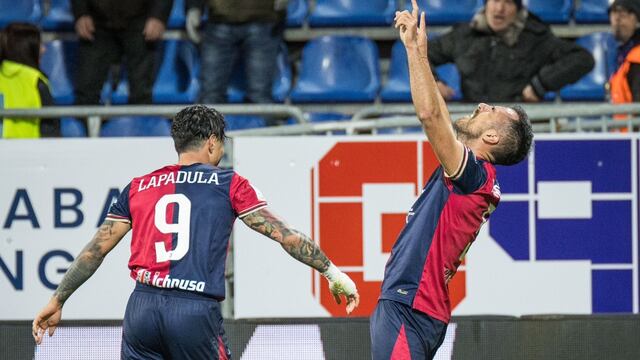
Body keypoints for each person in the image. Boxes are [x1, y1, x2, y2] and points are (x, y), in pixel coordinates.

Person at [32, 105, 360, 359]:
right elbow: (285, 235)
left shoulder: (138, 186)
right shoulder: (228, 183)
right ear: (213, 143)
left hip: (141, 309)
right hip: (192, 310)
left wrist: (58, 298)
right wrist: (331, 272)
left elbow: (95, 249)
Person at [370, 2, 534, 359]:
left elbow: (430, 116)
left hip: (410, 305)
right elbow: (440, 116)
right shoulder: (476, 175)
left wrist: (412, 51)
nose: (482, 105)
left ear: (491, 139)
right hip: (417, 306)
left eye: (490, 112)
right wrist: (424, 56)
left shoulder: (473, 174)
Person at [428, 0, 594, 103]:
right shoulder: (464, 35)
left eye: (508, 2)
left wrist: (541, 85)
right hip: (474, 127)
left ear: (517, 8)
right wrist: (433, 83)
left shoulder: (535, 37)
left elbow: (582, 59)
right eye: (495, 0)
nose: (499, 8)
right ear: (486, 4)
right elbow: (421, 53)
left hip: (516, 129)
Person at [71, 0, 172, 105]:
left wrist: (158, 16)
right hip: (96, 22)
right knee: (86, 94)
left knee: (141, 94)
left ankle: (141, 120)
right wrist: (81, 13)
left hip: (141, 21)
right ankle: (84, 121)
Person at [185, 0, 286, 104]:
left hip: (264, 21)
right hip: (219, 19)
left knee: (260, 97)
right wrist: (194, 7)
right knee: (210, 97)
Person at [0, 23, 60, 138]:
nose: (43, 49)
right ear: (26, 48)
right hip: (29, 153)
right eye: (39, 44)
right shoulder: (36, 80)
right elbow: (51, 127)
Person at [609, 0, 640, 104]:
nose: (617, 18)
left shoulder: (636, 58)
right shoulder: (622, 54)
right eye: (614, 13)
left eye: (624, 13)